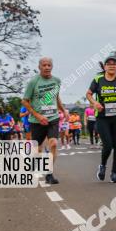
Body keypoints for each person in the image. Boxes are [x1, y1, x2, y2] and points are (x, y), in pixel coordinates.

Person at [22, 56, 67, 185]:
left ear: (52, 67)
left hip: (53, 117)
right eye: (44, 65)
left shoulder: (56, 81)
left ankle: (49, 173)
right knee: (38, 150)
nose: (47, 67)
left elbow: (56, 97)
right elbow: (24, 101)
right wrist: (37, 115)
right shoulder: (33, 82)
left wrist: (63, 110)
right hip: (37, 121)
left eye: (49, 65)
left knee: (53, 144)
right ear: (39, 67)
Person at [87, 55, 116, 183]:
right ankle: (102, 165)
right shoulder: (98, 79)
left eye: (114, 64)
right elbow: (88, 94)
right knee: (108, 145)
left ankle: (114, 173)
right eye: (109, 63)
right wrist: (95, 103)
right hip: (102, 118)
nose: (112, 65)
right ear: (105, 66)